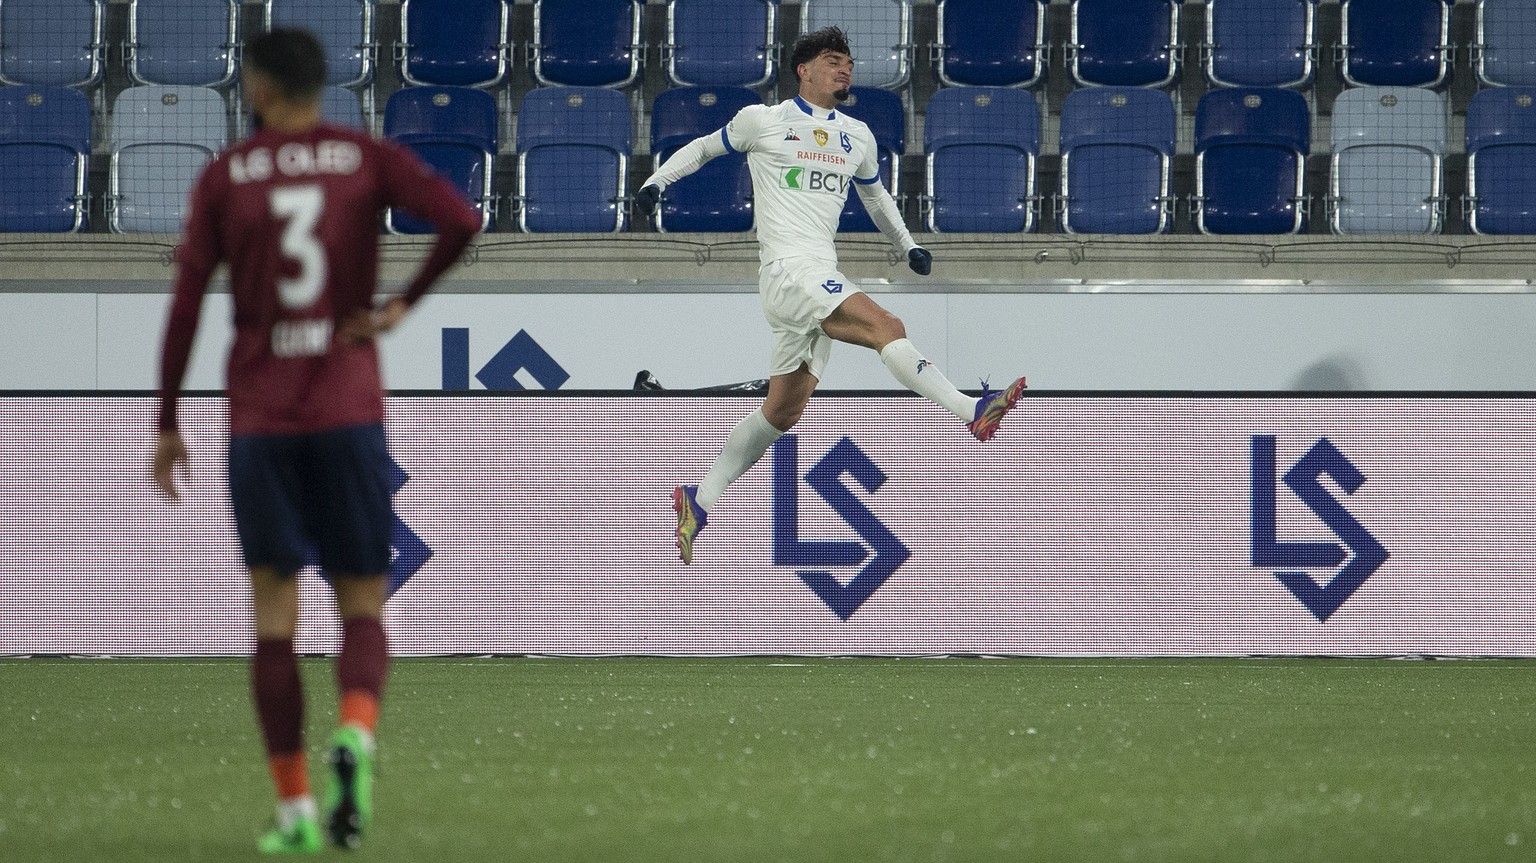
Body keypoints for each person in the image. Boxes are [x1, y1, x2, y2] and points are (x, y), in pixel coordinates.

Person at [150, 28, 481, 853]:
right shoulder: (361, 156)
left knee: (273, 618)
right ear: (320, 86)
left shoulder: (226, 177)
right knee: (362, 603)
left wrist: (165, 419)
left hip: (262, 421)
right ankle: (359, 732)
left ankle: (295, 809)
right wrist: (402, 305)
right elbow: (460, 218)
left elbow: (188, 305)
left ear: (257, 89)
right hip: (347, 409)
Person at [637, 26, 1028, 565]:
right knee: (886, 326)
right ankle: (970, 410)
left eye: (848, 62)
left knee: (781, 411)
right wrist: (655, 183)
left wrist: (908, 245)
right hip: (787, 270)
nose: (845, 70)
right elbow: (703, 149)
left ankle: (699, 499)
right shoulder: (765, 121)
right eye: (833, 60)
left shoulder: (857, 135)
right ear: (805, 69)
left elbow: (877, 198)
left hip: (815, 275)